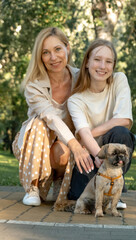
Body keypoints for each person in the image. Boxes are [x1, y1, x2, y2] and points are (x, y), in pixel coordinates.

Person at [12, 27, 93, 206]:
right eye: (46, 53)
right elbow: (51, 118)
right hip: (34, 142)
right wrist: (75, 145)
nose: (53, 57)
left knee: (62, 151)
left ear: (67, 48)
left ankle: (59, 180)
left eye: (57, 49)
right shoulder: (34, 85)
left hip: (64, 143)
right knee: (41, 123)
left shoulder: (81, 78)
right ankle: (32, 188)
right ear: (40, 57)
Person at [67, 39, 135, 209]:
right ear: (87, 62)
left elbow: (124, 120)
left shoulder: (119, 80)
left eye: (108, 61)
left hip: (110, 152)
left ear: (113, 66)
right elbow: (83, 133)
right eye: (97, 59)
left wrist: (101, 151)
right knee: (78, 196)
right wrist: (97, 155)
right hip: (89, 156)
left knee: (121, 133)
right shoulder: (76, 100)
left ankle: (114, 190)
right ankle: (107, 186)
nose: (102, 66)